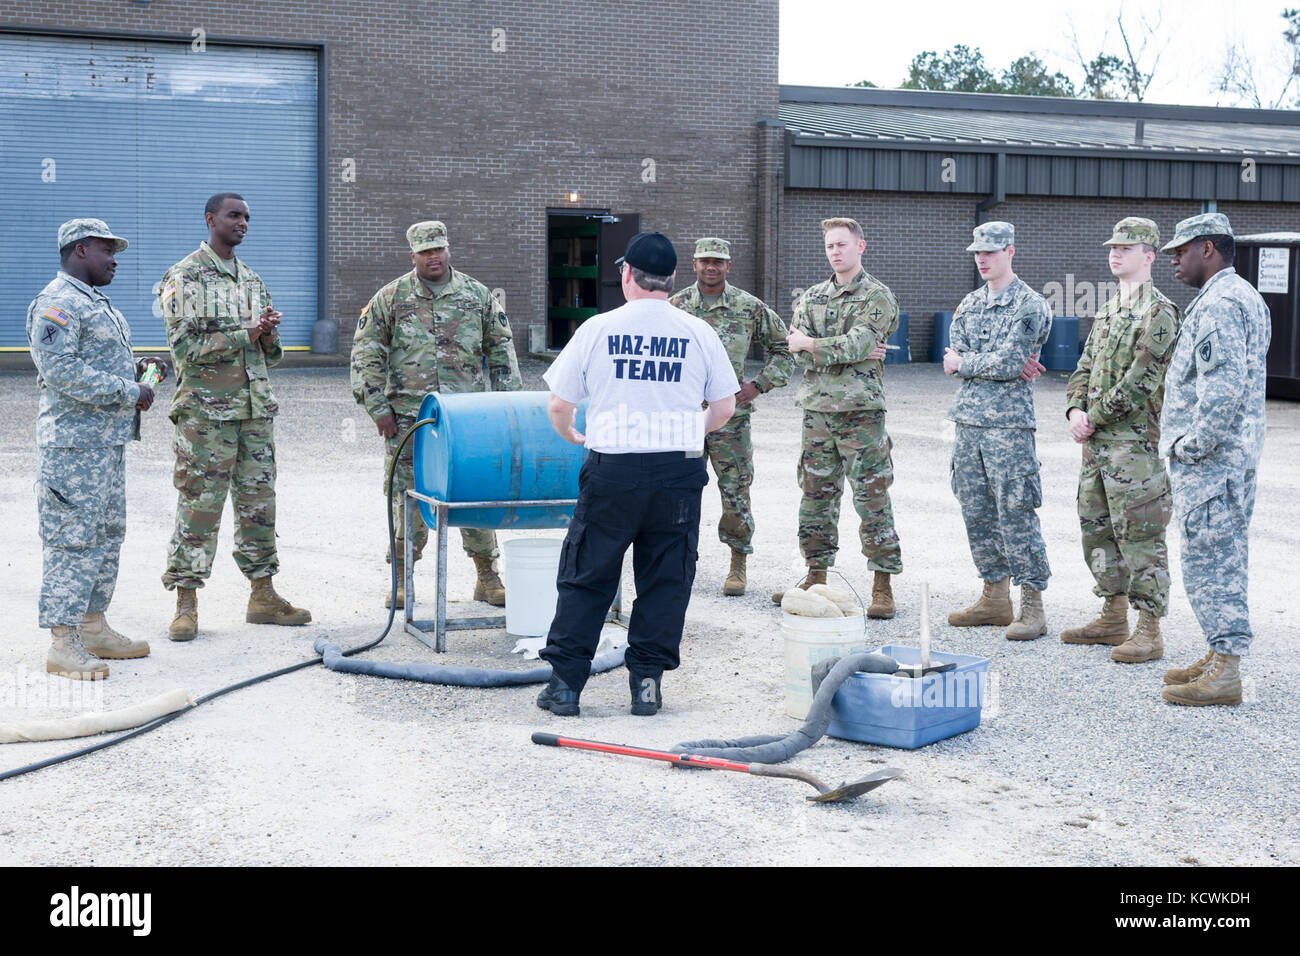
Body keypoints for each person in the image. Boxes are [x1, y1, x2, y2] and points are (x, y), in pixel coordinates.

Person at [536, 232, 738, 717]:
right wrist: (690, 429)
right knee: (667, 576)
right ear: (672, 279)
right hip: (678, 469)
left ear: (627, 275)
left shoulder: (598, 328)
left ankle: (565, 687)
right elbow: (726, 406)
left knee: (588, 573)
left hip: (613, 469)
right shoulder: (698, 331)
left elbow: (560, 403)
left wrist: (569, 434)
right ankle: (646, 685)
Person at [158, 192, 311, 640]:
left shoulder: (251, 280)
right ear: (210, 220)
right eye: (233, 215)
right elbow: (184, 350)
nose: (242, 222)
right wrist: (246, 333)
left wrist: (267, 333)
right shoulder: (185, 277)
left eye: (247, 216)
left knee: (259, 508)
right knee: (199, 507)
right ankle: (186, 601)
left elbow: (271, 355)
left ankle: (263, 595)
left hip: (254, 413)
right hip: (206, 416)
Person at [350, 220, 523, 608]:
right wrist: (378, 407)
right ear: (412, 255)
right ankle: (402, 580)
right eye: (425, 251)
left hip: (467, 420)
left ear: (449, 250)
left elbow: (501, 351)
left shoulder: (476, 295)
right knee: (407, 498)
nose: (434, 257)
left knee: (474, 493)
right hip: (411, 421)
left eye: (439, 249)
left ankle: (486, 575)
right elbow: (366, 353)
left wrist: (506, 408)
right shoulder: (391, 297)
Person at [28, 218, 164, 679]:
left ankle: (92, 626)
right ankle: (63, 643)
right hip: (72, 449)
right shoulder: (58, 303)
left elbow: (97, 362)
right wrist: (130, 392)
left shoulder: (94, 302)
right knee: (72, 540)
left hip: (104, 446)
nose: (115, 260)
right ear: (81, 249)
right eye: (108, 251)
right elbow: (60, 370)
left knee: (105, 538)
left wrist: (139, 369)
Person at [1158, 213, 1270, 707]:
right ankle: (1218, 651)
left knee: (1213, 561)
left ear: (1208, 248)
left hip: (1213, 463)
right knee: (1218, 556)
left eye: (1181, 252)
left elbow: (1221, 389)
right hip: (1228, 460)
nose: (1175, 262)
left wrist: (1192, 446)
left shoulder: (1222, 303)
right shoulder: (1237, 296)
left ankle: (1226, 669)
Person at [1062, 217, 1182, 663]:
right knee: (1097, 530)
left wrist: (1090, 417)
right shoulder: (1110, 308)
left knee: (1140, 534)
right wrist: (1074, 410)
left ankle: (1149, 630)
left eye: (1126, 249)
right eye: (1113, 247)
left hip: (1132, 448)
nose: (1116, 253)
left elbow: (1141, 381)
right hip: (1096, 446)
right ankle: (1112, 616)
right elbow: (1083, 365)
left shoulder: (1160, 312)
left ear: (1149, 256)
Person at [772, 217, 901, 619]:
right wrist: (846, 348)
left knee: (872, 498)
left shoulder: (877, 296)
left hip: (861, 414)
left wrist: (817, 344)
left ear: (860, 247)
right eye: (830, 246)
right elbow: (795, 344)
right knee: (815, 497)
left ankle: (883, 585)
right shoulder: (812, 296)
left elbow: (860, 341)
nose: (836, 251)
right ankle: (816, 576)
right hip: (816, 414)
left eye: (843, 244)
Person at [943, 221, 1054, 640]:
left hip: (1009, 427)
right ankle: (994, 596)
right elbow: (953, 351)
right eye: (977, 253)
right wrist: (982, 362)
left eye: (990, 251)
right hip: (969, 423)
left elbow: (1007, 363)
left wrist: (968, 364)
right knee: (976, 510)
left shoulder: (1030, 305)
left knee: (1016, 512)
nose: (982, 259)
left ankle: (1033, 605)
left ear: (1011, 251)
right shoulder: (969, 303)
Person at [668, 237, 791, 596]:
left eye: (718, 262)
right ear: (693, 264)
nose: (711, 267)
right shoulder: (676, 307)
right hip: (686, 418)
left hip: (730, 421)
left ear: (728, 266)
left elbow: (784, 350)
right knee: (678, 490)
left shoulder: (748, 307)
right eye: (705, 261)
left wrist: (757, 386)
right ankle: (679, 561)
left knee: (735, 490)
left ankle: (738, 561)